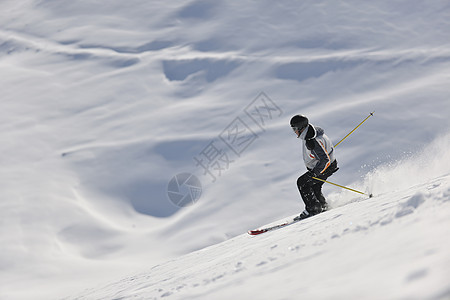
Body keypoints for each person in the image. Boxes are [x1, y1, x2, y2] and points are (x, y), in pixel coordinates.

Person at [290, 114, 339, 221]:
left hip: (325, 167)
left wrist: (314, 173)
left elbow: (324, 160)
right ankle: (323, 206)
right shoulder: (312, 132)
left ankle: (313, 209)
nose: (294, 132)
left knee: (302, 182)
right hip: (328, 165)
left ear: (301, 128)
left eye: (294, 129)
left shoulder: (311, 141)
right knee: (314, 186)